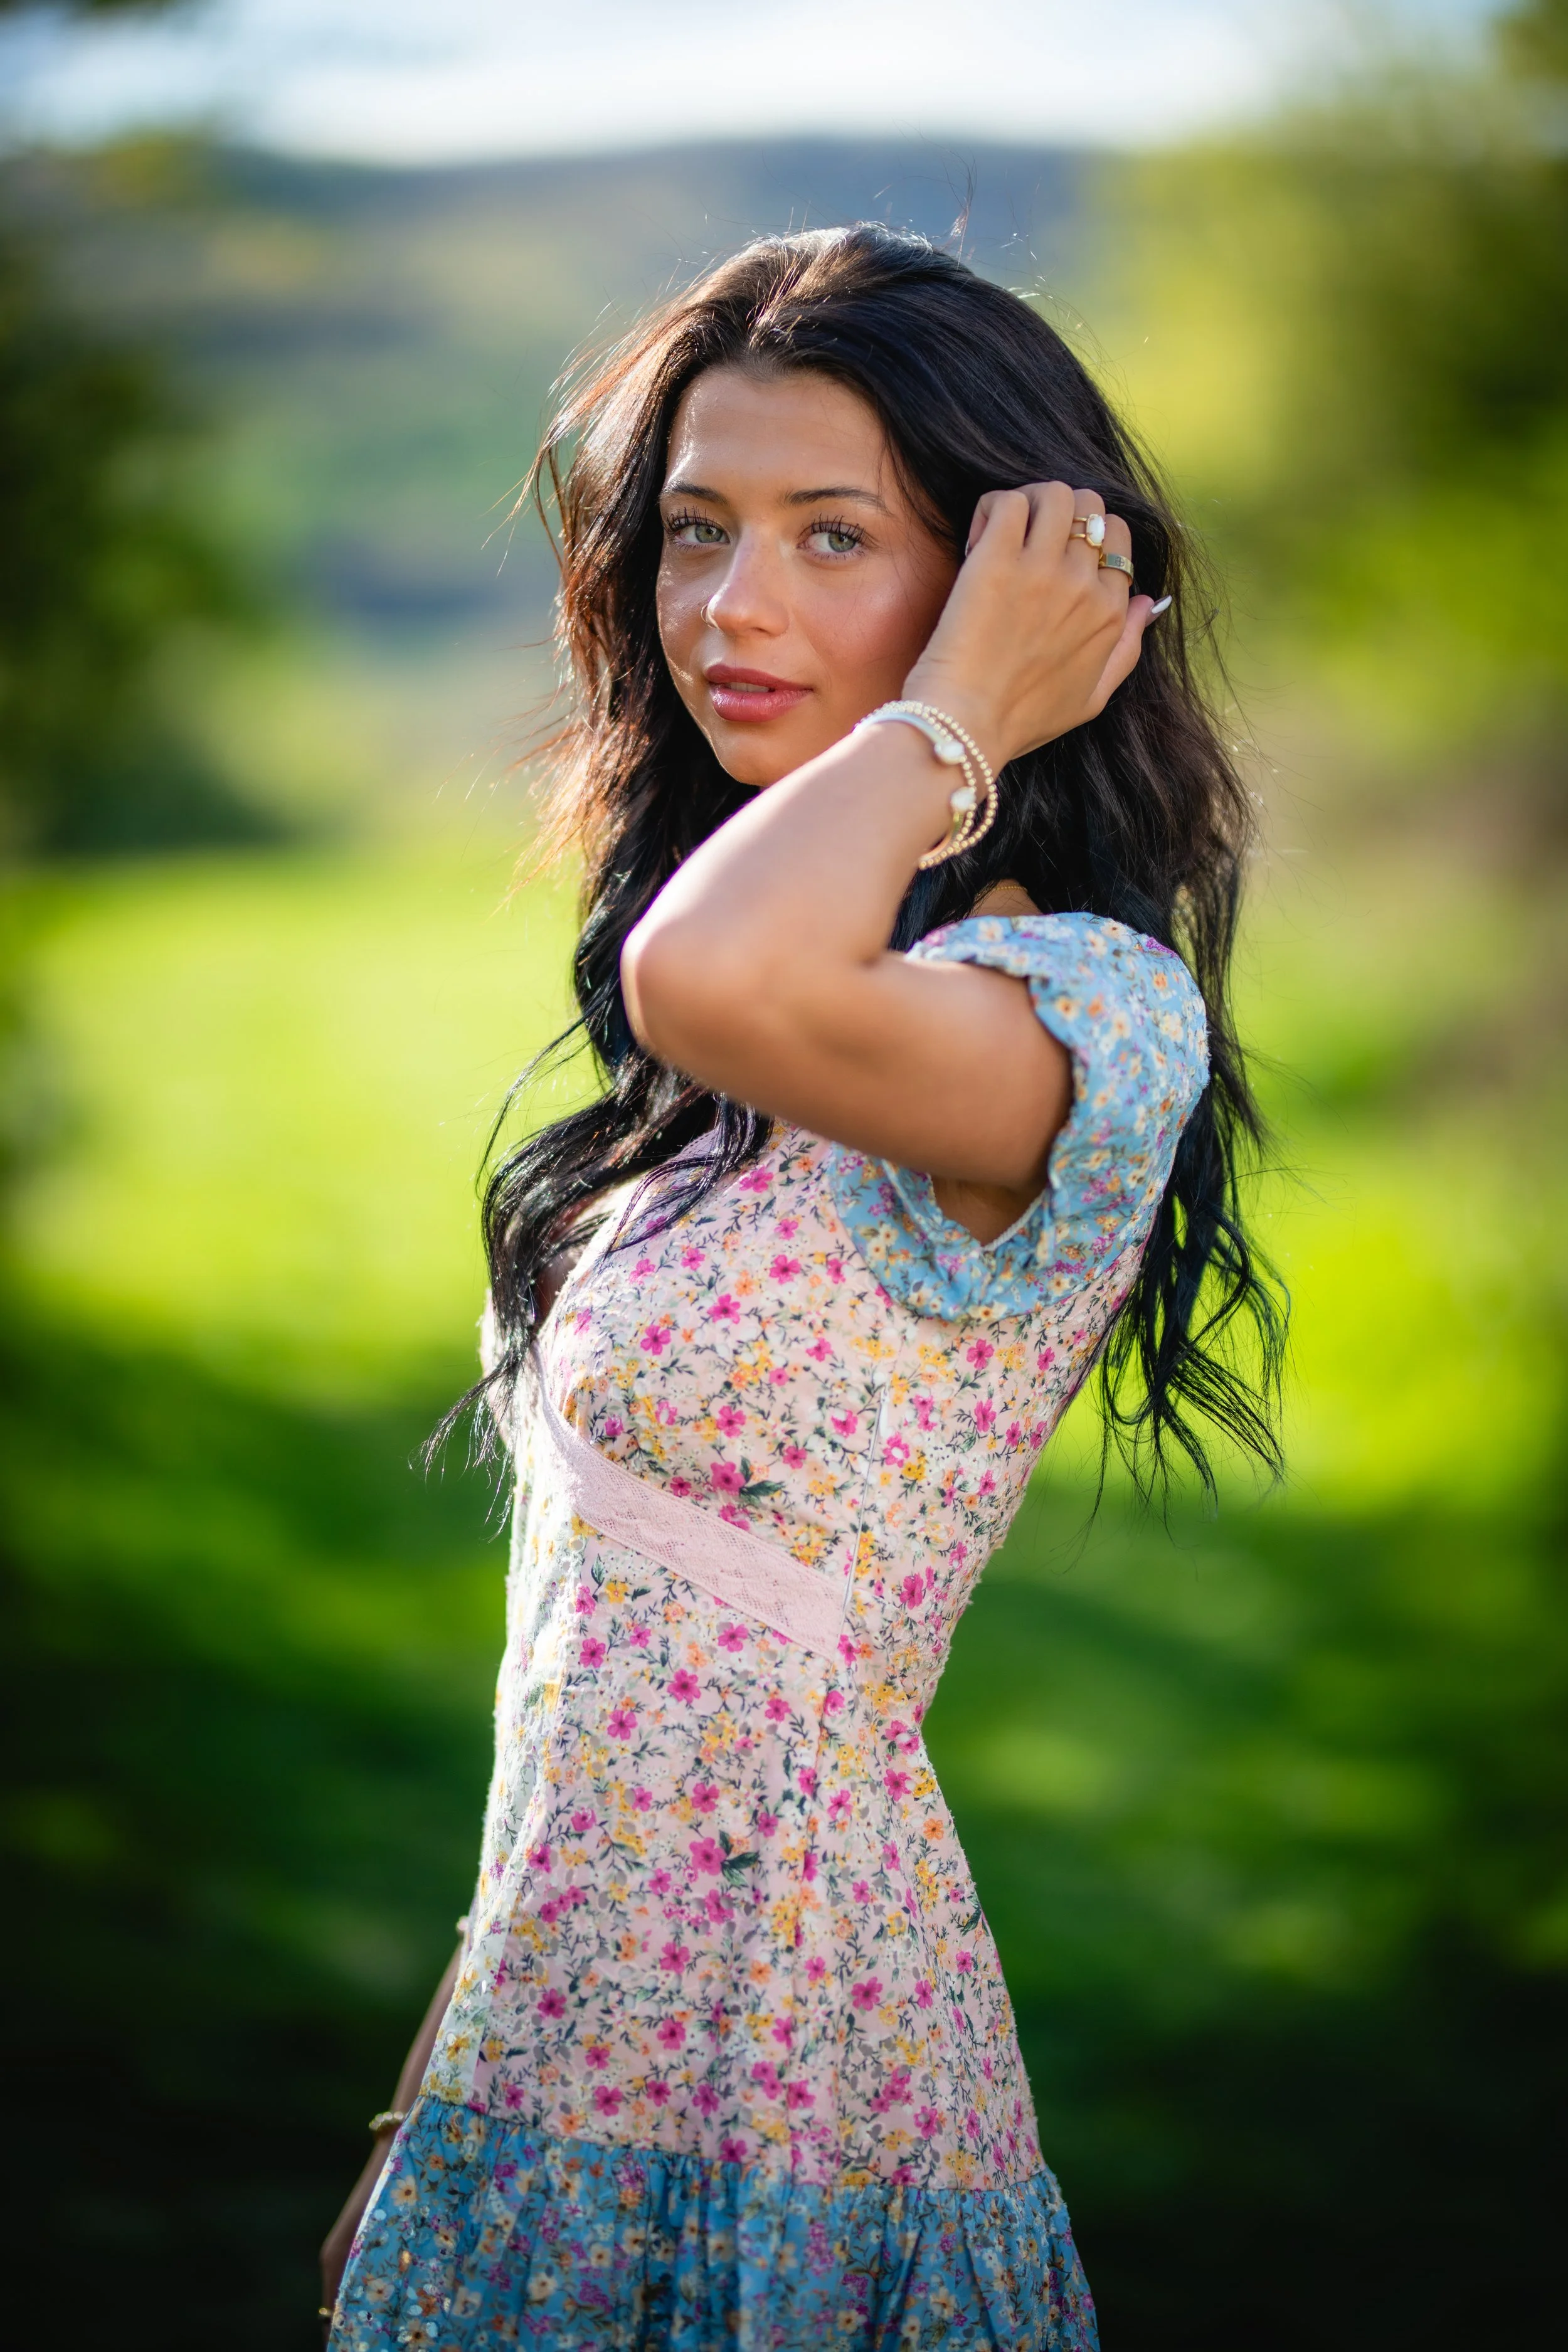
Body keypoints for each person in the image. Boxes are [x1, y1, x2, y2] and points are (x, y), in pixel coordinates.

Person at [321, 223, 1281, 2349]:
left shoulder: (1063, 1013)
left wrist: (955, 714)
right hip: (557, 2047)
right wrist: (436, 2088)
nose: (728, 607)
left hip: (793, 2059)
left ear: (1007, 593)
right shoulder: (764, 1048)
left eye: (831, 536)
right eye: (695, 529)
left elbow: (705, 966)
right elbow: (590, 1649)